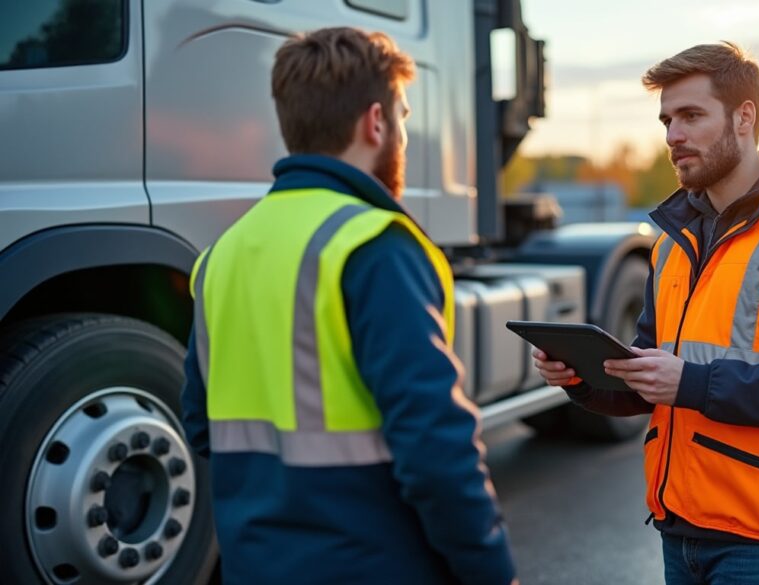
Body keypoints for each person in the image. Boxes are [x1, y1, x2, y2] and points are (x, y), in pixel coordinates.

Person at [180, 27, 516, 585]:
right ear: (375, 122)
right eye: (403, 117)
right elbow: (434, 447)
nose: (403, 135)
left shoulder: (222, 254)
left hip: (254, 566)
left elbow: (200, 422)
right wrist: (492, 571)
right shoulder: (375, 245)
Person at [534, 42, 759, 585]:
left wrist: (691, 383)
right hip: (680, 527)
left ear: (744, 118)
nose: (673, 135)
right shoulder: (673, 243)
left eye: (691, 116)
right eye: (667, 120)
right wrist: (581, 378)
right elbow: (650, 380)